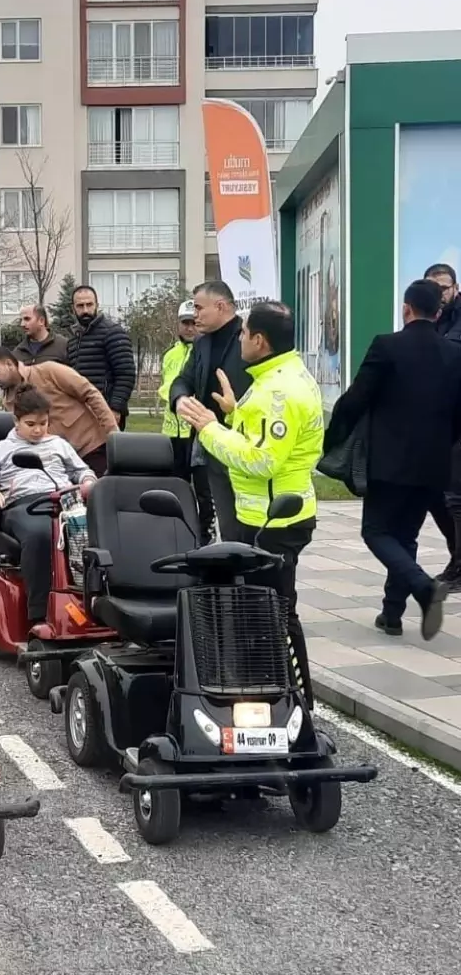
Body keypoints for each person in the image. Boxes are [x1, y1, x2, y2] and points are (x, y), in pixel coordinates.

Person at [177, 302, 323, 706]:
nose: (240, 339)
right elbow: (267, 440)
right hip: (269, 516)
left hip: (274, 521)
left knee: (271, 615)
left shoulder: (279, 390)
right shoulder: (279, 375)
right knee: (264, 610)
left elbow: (261, 460)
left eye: (244, 334)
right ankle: (275, 693)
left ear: (260, 340)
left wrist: (209, 429)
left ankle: (288, 701)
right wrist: (234, 412)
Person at [324, 279, 461, 641]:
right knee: (406, 536)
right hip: (433, 465)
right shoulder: (454, 354)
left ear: (406, 308)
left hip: (388, 461)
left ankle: (423, 586)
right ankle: (391, 614)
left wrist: (334, 435)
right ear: (439, 311)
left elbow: (356, 398)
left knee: (377, 531)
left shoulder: (387, 346)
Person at [0, 387, 95, 633]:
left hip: (65, 503)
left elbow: (82, 470)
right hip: (22, 506)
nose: (38, 430)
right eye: (31, 424)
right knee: (42, 535)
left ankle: (99, 604)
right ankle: (40, 614)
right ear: (16, 421)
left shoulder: (59, 444)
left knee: (99, 530)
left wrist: (88, 481)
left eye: (43, 423)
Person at [169, 280, 253, 544]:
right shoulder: (202, 342)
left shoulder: (248, 338)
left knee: (247, 521)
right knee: (222, 516)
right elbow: (184, 378)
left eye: (198, 308)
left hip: (245, 442)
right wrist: (180, 398)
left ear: (221, 306)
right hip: (209, 442)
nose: (194, 315)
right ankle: (227, 570)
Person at [0, 346, 117, 475]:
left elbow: (90, 394)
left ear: (9, 364)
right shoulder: (8, 402)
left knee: (99, 495)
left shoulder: (49, 371)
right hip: (56, 464)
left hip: (92, 449)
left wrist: (114, 436)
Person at [159, 300, 215, 544]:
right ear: (178, 325)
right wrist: (173, 396)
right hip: (173, 431)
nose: (190, 328)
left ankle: (205, 531)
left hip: (198, 430)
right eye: (185, 323)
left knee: (203, 487)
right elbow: (166, 385)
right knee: (176, 484)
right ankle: (177, 528)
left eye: (194, 322)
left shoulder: (205, 351)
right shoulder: (170, 355)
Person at [425, 262, 461, 581]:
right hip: (440, 421)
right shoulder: (430, 319)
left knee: (454, 495)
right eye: (433, 288)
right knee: (436, 493)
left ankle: (459, 567)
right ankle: (457, 557)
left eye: (445, 287)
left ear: (456, 288)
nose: (440, 294)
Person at [66, 285, 136, 426]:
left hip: (106, 411)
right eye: (80, 306)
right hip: (80, 414)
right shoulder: (73, 340)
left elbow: (126, 374)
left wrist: (115, 408)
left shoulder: (113, 333)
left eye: (89, 304)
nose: (85, 310)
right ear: (73, 308)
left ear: (97, 305)